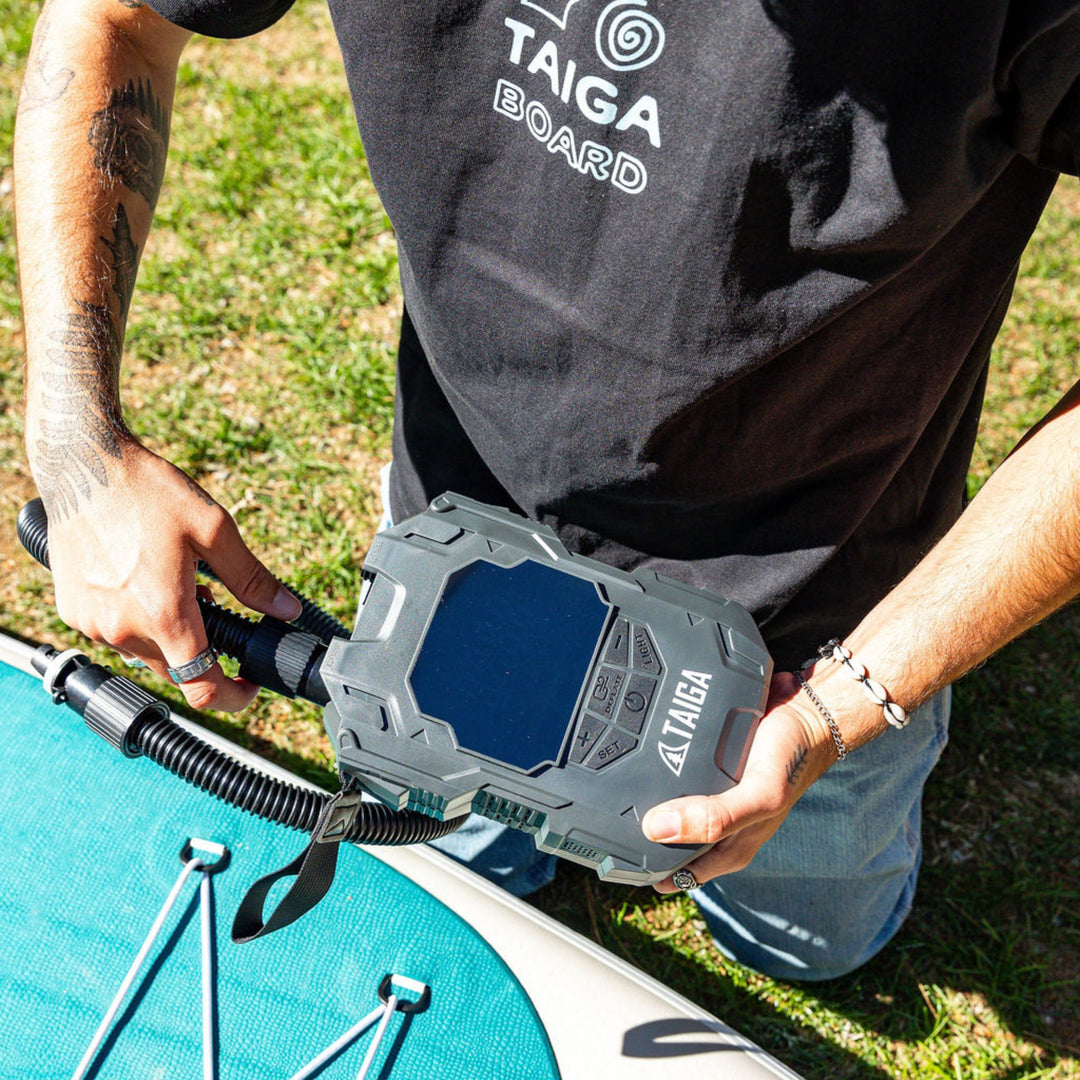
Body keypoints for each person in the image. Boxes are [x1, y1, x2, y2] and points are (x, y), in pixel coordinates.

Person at [14, 0, 1080, 980]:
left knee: (805, 941)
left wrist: (853, 704)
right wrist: (77, 450)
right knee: (463, 875)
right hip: (453, 554)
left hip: (819, 637)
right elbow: (119, 16)